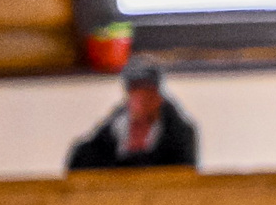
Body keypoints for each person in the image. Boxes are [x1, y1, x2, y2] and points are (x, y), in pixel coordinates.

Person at [65, 58, 198, 171]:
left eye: (147, 91)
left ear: (158, 96)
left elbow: (180, 177)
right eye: (135, 90)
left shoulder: (179, 135)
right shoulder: (111, 132)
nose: (141, 98)